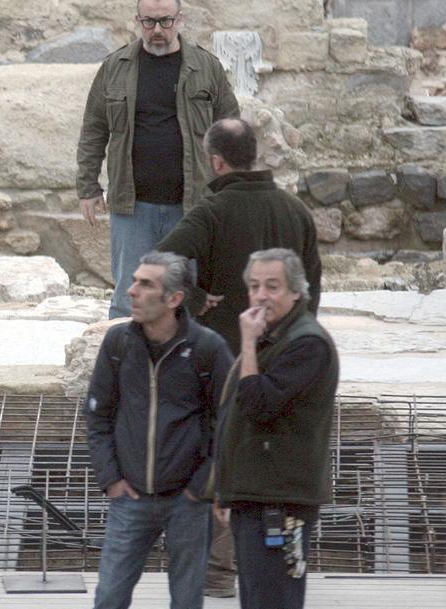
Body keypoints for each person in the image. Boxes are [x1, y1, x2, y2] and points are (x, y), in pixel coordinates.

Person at [156, 118, 322, 598]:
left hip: (226, 357)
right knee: (274, 455)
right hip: (288, 356)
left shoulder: (213, 210)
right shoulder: (296, 210)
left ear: (216, 160)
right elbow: (313, 285)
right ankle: (271, 568)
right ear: (255, 153)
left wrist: (193, 295)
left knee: (224, 451)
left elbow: (161, 259)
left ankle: (218, 571)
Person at [77, 0, 239, 319]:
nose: (157, 30)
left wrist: (231, 194)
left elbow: (231, 130)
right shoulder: (115, 67)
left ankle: (187, 368)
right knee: (128, 297)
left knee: (189, 297)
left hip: (192, 206)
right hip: (132, 206)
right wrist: (88, 187)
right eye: (148, 22)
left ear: (180, 19)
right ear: (137, 21)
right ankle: (124, 367)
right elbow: (94, 129)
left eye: (165, 21)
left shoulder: (206, 67)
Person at [86, 251, 233, 609]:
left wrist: (203, 487)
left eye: (145, 284)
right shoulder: (118, 344)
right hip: (129, 499)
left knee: (186, 601)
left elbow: (230, 424)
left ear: (174, 298)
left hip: (187, 502)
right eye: (134, 280)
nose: (131, 291)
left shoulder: (207, 349)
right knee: (109, 598)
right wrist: (111, 480)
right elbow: (97, 415)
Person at [213, 249, 339, 609]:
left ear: (297, 291)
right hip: (254, 494)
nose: (261, 296)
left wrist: (248, 343)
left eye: (272, 286)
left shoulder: (306, 343)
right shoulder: (277, 336)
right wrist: (226, 491)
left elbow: (257, 405)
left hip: (279, 501)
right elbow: (233, 419)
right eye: (254, 286)